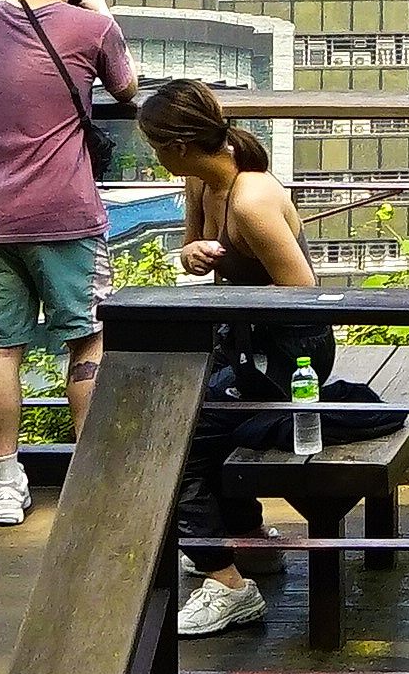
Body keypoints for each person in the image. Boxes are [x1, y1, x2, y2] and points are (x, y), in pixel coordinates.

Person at [0, 0, 133, 529]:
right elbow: (128, 89)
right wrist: (99, 6)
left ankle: (6, 481)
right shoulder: (92, 28)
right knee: (86, 338)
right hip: (64, 210)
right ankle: (85, 479)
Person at [138, 79, 322, 640]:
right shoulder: (202, 182)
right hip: (239, 339)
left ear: (177, 146)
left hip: (287, 353)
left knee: (185, 443)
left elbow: (303, 294)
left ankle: (227, 584)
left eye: (156, 146)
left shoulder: (251, 199)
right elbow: (201, 254)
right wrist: (194, 253)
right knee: (187, 414)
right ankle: (242, 543)